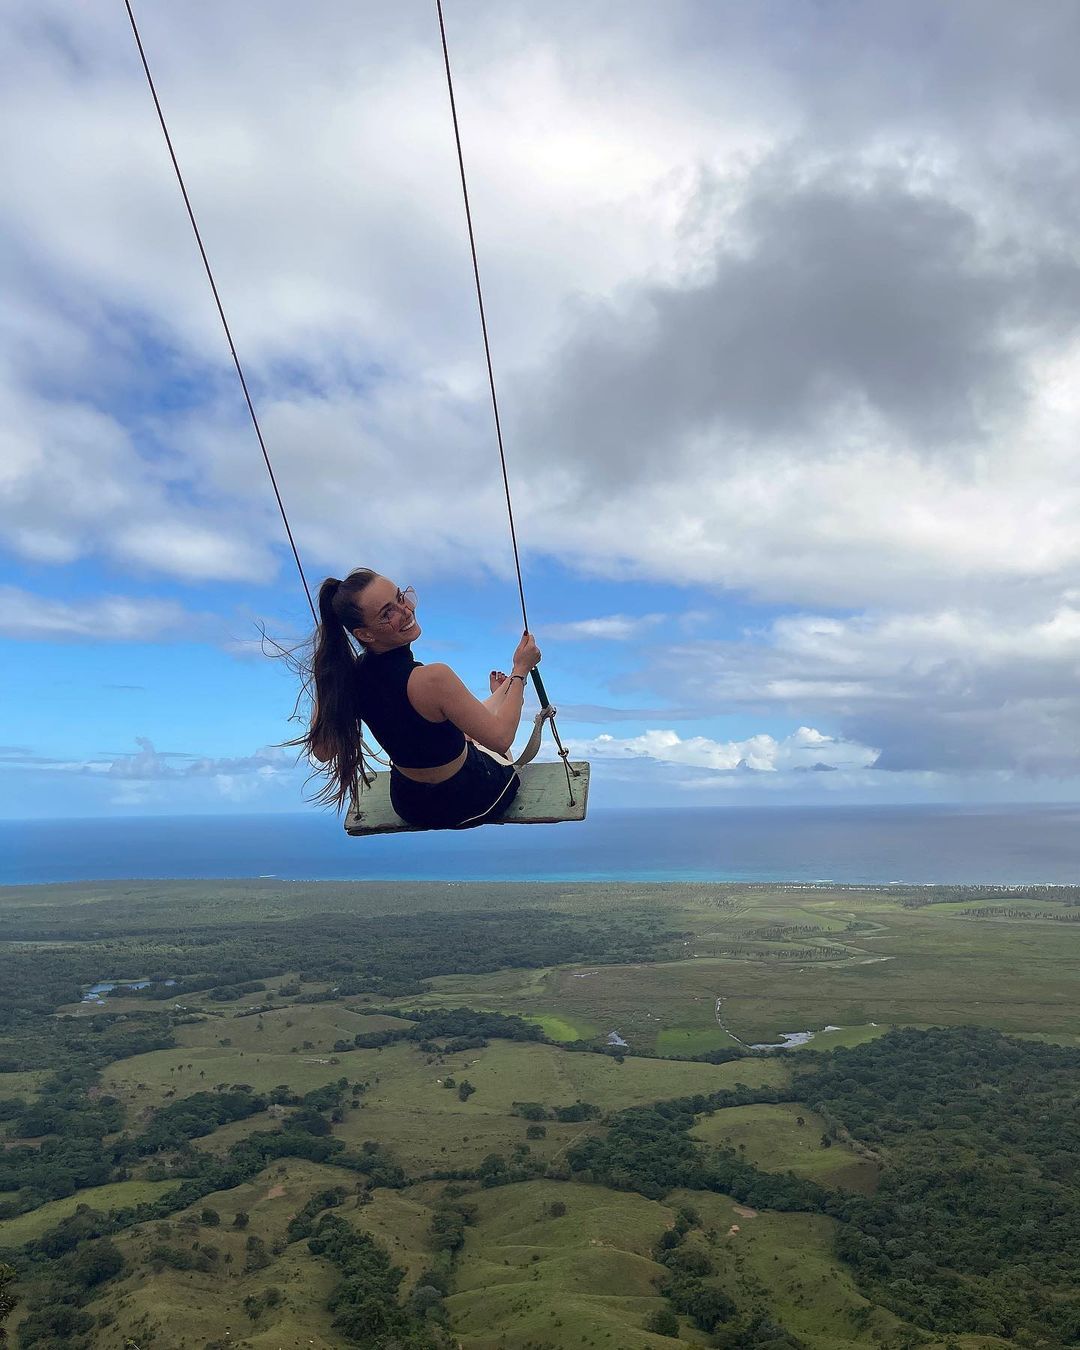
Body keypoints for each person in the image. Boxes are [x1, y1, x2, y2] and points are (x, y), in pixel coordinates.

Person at [298, 568, 543, 828]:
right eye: (387, 612)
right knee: (495, 746)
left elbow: (322, 752)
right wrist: (520, 670)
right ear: (365, 634)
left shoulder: (349, 680)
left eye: (400, 597)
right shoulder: (433, 678)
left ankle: (498, 699)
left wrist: (327, 684)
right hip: (471, 799)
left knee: (455, 726)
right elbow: (500, 738)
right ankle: (511, 693)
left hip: (409, 804)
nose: (405, 611)